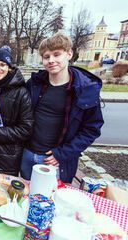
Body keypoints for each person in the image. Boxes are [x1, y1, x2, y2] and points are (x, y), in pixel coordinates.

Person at [20, 33, 104, 183]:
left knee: (49, 203)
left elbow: (92, 129)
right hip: (27, 154)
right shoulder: (35, 84)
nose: (51, 60)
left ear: (69, 54)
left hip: (55, 161)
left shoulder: (85, 90)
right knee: (25, 199)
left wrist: (63, 154)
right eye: (46, 57)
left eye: (57, 54)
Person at [0, 47, 33, 176]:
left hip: (8, 156)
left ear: (9, 67)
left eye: (2, 65)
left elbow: (25, 129)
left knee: (3, 192)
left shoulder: (21, 93)